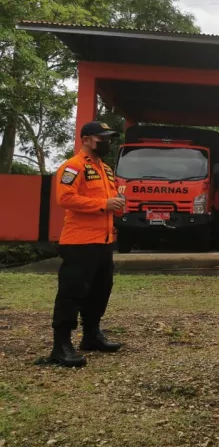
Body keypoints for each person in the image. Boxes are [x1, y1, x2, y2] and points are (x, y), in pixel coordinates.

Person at [49, 121, 125, 367]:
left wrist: (118, 204)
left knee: (100, 290)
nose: (107, 143)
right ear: (87, 139)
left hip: (104, 241)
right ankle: (61, 345)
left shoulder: (105, 169)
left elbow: (110, 198)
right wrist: (103, 205)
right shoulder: (73, 166)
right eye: (102, 138)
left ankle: (92, 335)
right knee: (72, 293)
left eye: (110, 138)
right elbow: (66, 197)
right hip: (79, 241)